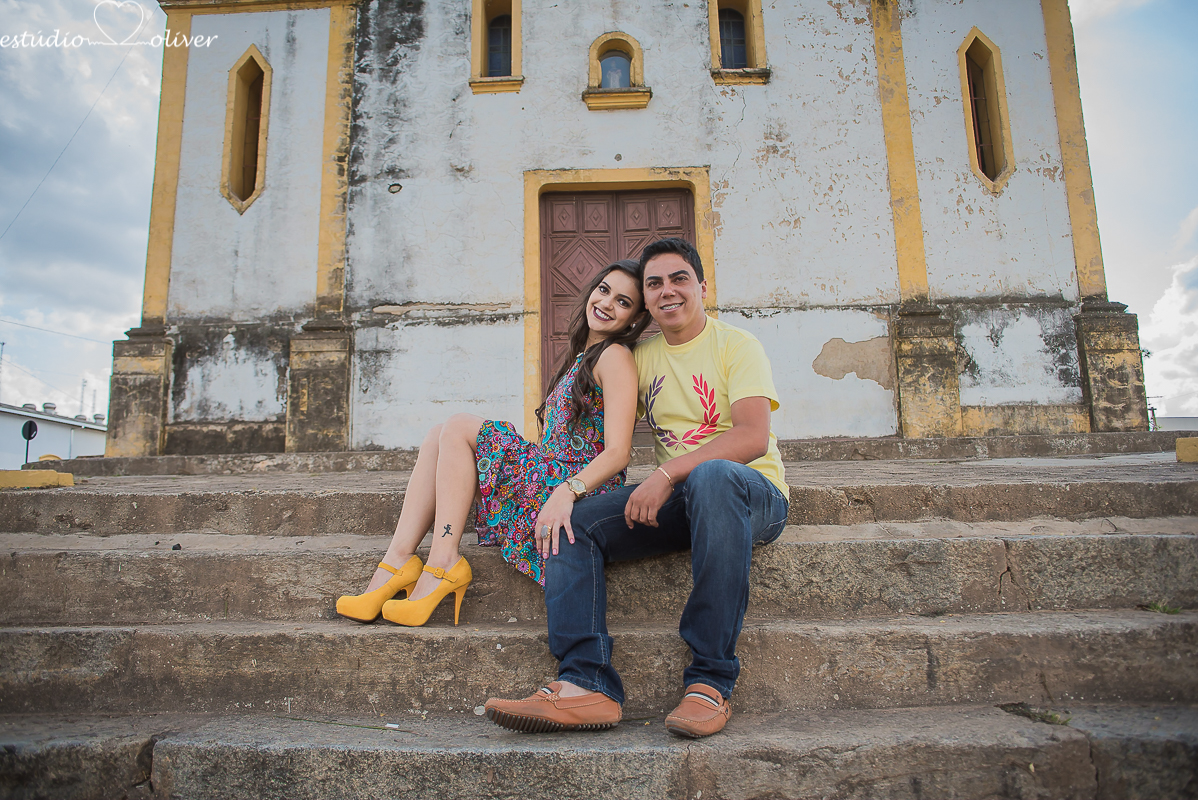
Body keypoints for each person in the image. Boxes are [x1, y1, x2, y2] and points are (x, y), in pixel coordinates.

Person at [484, 237, 789, 738]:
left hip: (753, 494)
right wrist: (564, 486)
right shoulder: (639, 357)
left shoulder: (737, 345)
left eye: (679, 279)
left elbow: (752, 437)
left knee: (712, 476)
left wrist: (665, 475)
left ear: (702, 288)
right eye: (654, 284)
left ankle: (710, 683)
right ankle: (585, 683)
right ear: (645, 301)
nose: (667, 290)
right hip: (685, 501)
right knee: (574, 523)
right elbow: (601, 427)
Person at [335, 260, 650, 627]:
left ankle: (443, 561)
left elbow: (618, 452)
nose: (607, 303)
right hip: (551, 477)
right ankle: (397, 561)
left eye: (623, 302)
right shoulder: (582, 357)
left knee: (458, 426)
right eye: (604, 290)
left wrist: (568, 491)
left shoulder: (615, 356)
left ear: (634, 319)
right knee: (438, 434)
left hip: (576, 490)